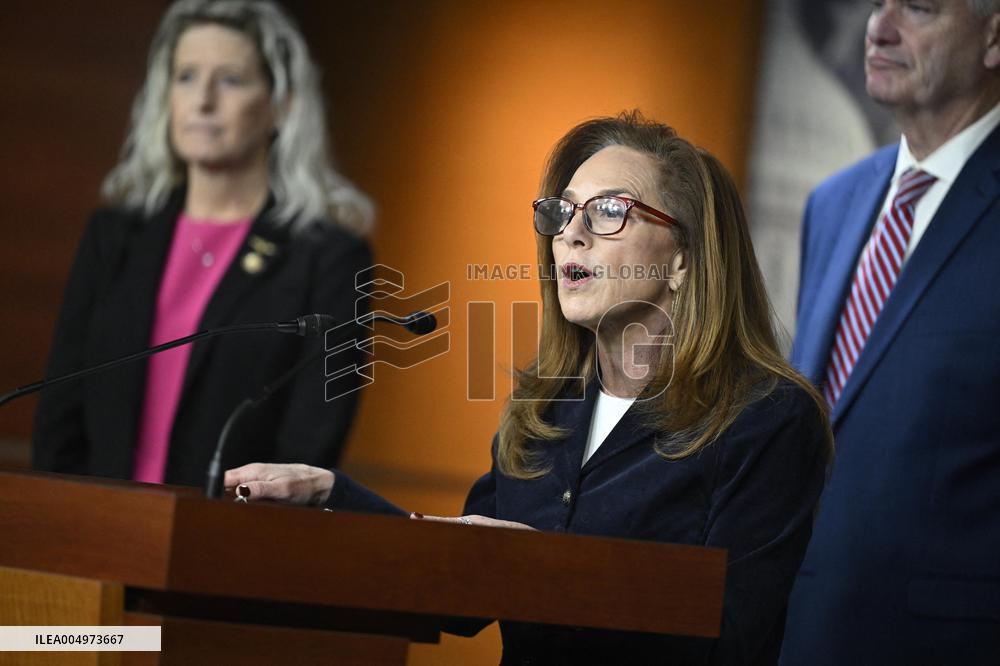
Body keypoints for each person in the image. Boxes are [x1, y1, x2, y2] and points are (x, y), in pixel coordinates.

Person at [226, 112, 832, 665]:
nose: (571, 234)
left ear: (683, 260)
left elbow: (734, 637)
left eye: (609, 211)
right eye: (564, 212)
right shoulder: (546, 409)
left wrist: (544, 569)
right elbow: (458, 595)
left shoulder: (764, 417)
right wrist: (331, 498)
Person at [32, 0, 373, 486]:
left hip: (227, 543)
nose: (203, 100)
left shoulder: (331, 258)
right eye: (186, 76)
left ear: (282, 105)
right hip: (94, 535)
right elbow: (59, 413)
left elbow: (308, 446)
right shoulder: (114, 237)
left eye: (230, 79)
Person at [782, 1, 1000, 663]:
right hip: (795, 633)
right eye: (878, 3)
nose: (881, 24)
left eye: (922, 8)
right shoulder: (833, 201)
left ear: (994, 38)